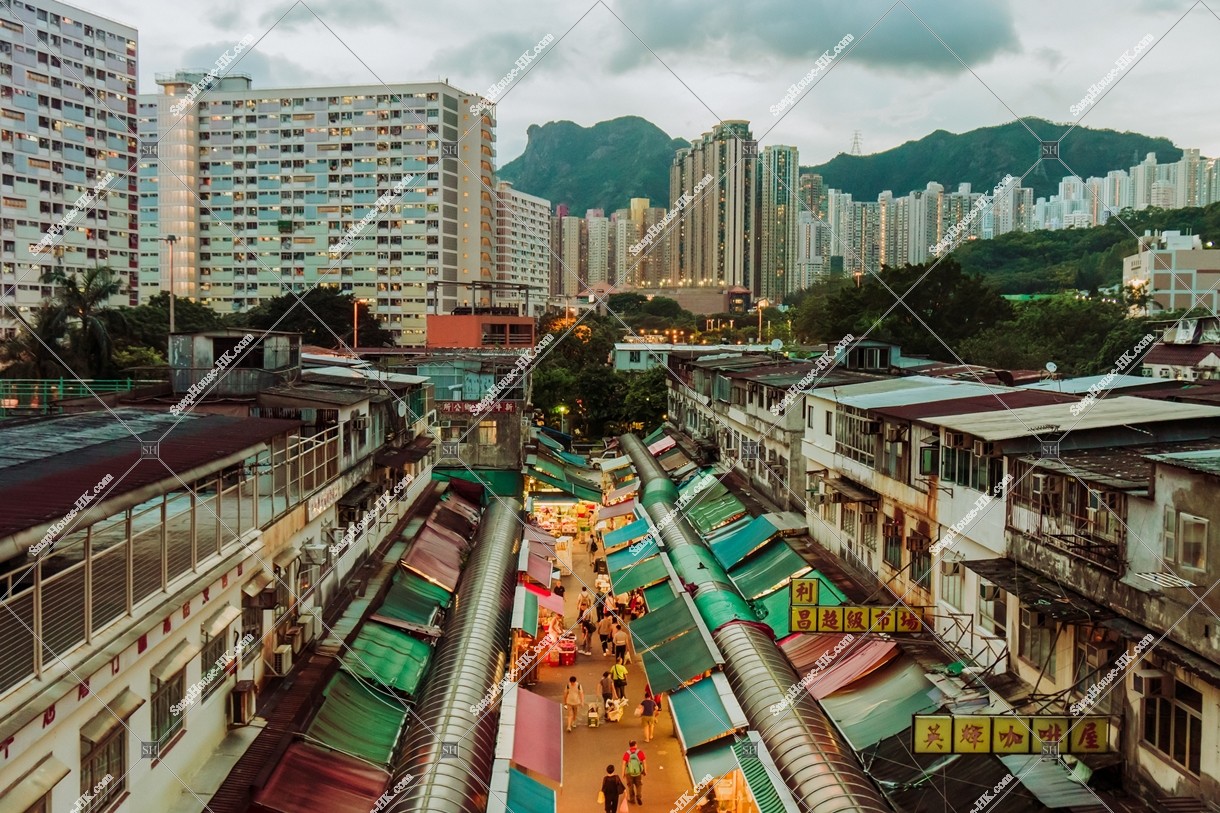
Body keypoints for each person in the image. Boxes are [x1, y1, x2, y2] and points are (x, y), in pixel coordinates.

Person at [621, 740, 647, 805]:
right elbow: (644, 762)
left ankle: (632, 799)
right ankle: (638, 796)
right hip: (638, 773)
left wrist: (623, 773)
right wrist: (645, 770)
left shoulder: (627, 753)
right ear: (635, 745)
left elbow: (624, 764)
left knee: (630, 786)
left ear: (630, 746)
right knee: (639, 785)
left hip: (629, 773)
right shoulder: (640, 752)